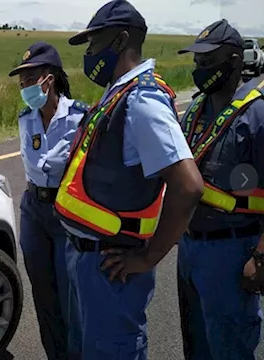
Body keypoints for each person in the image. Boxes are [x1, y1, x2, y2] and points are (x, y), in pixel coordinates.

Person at [53, 0, 205, 359]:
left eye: (94, 43)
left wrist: (149, 257)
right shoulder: (118, 93)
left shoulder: (143, 99)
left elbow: (188, 184)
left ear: (120, 41)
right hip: (86, 259)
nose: (89, 54)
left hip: (110, 269)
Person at [175, 19, 265, 360]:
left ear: (235, 61)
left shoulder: (257, 114)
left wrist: (261, 257)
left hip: (233, 249)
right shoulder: (195, 109)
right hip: (190, 248)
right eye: (198, 62)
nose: (200, 69)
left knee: (230, 348)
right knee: (196, 346)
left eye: (209, 61)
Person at [7, 41, 88, 360]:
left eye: (29, 79)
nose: (24, 87)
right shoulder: (25, 118)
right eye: (21, 81)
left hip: (66, 210)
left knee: (71, 298)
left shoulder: (79, 116)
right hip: (34, 210)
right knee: (44, 296)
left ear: (48, 79)